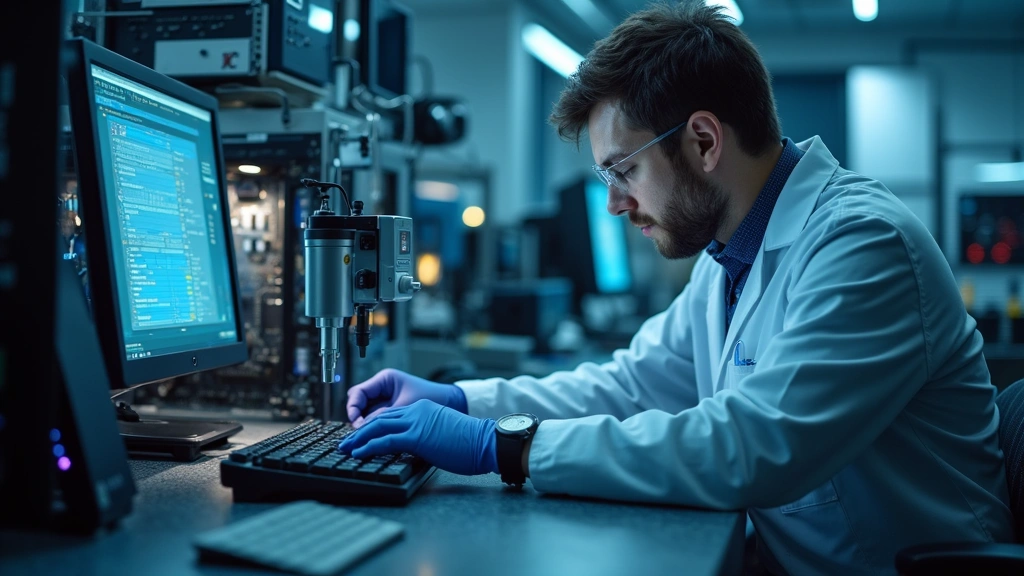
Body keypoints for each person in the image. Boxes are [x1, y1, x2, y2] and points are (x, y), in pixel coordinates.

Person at [338, 2, 1014, 574]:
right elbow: (630, 386)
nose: (614, 204)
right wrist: (462, 398)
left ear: (701, 142)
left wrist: (503, 446)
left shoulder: (863, 245)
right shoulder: (728, 256)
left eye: (622, 171)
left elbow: (751, 448)